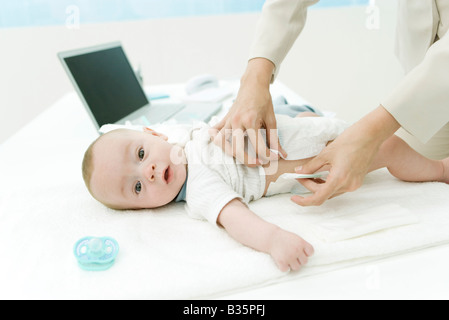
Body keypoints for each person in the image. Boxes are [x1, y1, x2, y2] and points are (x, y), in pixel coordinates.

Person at [81, 113, 449, 272]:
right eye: (137, 187)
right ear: (142, 208)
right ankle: (440, 169)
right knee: (387, 147)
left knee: (317, 123)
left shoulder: (184, 138)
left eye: (141, 154)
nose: (145, 171)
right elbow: (236, 218)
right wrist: (274, 239)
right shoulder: (200, 189)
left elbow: (123, 131)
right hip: (318, 159)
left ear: (156, 134)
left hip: (296, 133)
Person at [210, 0, 449, 207]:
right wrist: (254, 77)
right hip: (425, 81)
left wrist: (369, 133)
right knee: (425, 177)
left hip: (433, 77)